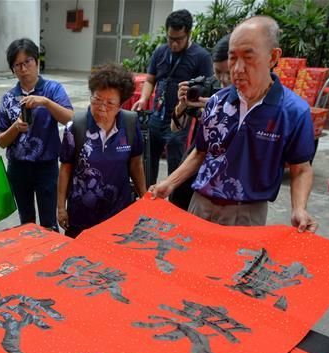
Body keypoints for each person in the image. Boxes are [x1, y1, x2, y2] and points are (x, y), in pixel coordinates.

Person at [149, 16, 317, 232]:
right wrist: (170, 183)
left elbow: (301, 169)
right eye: (232, 58)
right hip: (200, 204)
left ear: (273, 57)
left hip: (246, 213)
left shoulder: (293, 111)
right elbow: (201, 152)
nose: (237, 69)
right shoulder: (217, 102)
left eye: (248, 57)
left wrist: (299, 208)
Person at [57, 63, 147, 238]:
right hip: (82, 215)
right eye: (97, 100)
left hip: (119, 212)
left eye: (110, 103)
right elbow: (65, 168)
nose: (102, 108)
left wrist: (144, 199)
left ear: (121, 104)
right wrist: (61, 208)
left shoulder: (130, 123)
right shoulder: (76, 126)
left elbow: (136, 164)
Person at [0, 38, 73, 231]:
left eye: (28, 62)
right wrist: (15, 127)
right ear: (13, 69)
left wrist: (45, 102)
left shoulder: (52, 89)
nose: (23, 69)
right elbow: (1, 141)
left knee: (49, 222)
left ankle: (51, 250)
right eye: (17, 65)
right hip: (18, 168)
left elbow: (70, 118)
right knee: (26, 223)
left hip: (46, 167)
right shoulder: (8, 98)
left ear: (37, 62)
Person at [131, 9, 213, 185]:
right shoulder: (160, 51)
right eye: (170, 38)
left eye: (179, 39)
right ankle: (148, 193)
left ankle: (173, 195)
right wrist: (144, 98)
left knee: (175, 161)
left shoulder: (201, 56)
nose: (174, 44)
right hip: (157, 114)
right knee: (149, 160)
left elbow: (208, 89)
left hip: (179, 117)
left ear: (189, 34)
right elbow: (150, 80)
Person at [168, 34, 232, 210]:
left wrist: (217, 107)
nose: (223, 79)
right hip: (196, 157)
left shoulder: (247, 94)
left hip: (226, 169)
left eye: (229, 73)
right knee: (180, 202)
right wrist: (182, 104)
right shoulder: (207, 85)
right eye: (218, 72)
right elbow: (175, 128)